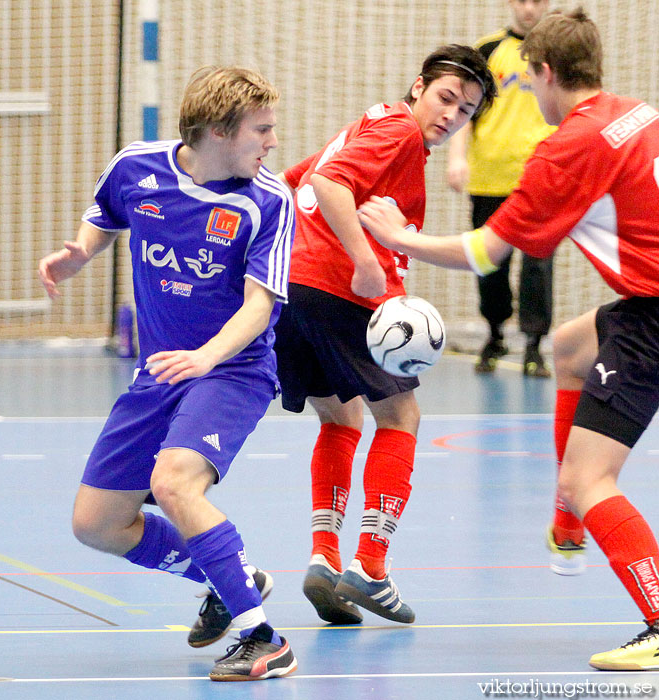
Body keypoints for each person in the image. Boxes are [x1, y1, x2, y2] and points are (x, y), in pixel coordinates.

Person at [358, 8, 659, 670]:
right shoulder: (634, 111)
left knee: (592, 478)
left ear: (545, 73)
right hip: (643, 301)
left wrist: (397, 238)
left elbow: (485, 252)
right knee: (569, 349)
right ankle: (568, 523)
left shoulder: (569, 146)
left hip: (654, 318)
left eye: (528, 83)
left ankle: (652, 610)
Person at [38, 65, 297, 682]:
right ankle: (231, 575)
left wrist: (207, 356)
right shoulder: (137, 166)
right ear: (215, 132)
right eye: (260, 130)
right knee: (97, 524)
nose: (272, 142)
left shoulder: (267, 200)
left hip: (233, 371)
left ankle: (263, 638)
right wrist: (79, 252)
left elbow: (260, 305)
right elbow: (104, 214)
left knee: (176, 482)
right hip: (160, 372)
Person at [274, 46, 497, 626]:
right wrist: (365, 262)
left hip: (293, 290)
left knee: (340, 419)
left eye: (466, 110)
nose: (451, 116)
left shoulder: (371, 122)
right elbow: (327, 182)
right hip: (339, 289)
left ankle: (325, 558)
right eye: (446, 98)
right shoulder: (399, 132)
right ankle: (371, 567)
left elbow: (288, 184)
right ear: (419, 87)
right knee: (402, 418)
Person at [447, 0, 555, 377]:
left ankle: (535, 345)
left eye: (538, 0)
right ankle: (494, 335)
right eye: (522, 0)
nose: (529, 8)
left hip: (541, 181)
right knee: (490, 263)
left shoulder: (557, 53)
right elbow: (464, 110)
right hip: (490, 178)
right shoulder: (489, 50)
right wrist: (456, 158)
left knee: (538, 268)